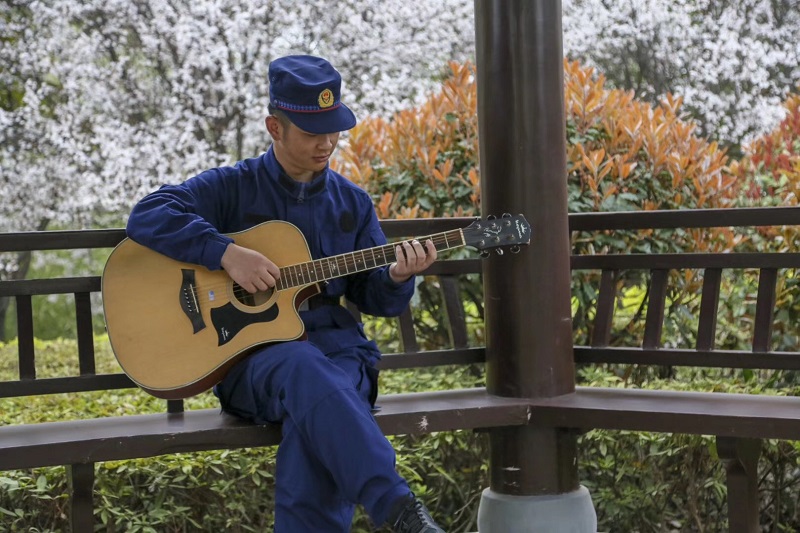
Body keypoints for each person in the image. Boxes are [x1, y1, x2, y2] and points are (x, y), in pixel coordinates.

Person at [126, 55, 446, 533]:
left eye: (334, 130)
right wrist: (224, 253)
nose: (327, 143)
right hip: (252, 361)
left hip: (340, 353)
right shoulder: (233, 186)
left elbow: (376, 298)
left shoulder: (353, 202)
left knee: (316, 415)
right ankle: (398, 507)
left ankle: (400, 512)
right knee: (306, 371)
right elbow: (148, 214)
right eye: (313, 132)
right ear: (274, 127)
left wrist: (398, 277)